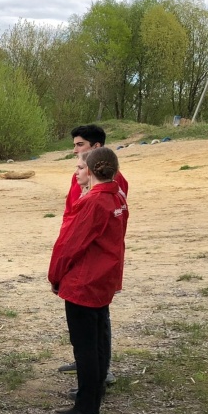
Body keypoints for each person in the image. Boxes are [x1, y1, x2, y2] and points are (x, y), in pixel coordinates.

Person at [48, 147, 129, 414]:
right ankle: (93, 395)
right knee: (96, 340)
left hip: (85, 282)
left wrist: (55, 275)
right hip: (103, 278)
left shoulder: (94, 202)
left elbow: (70, 245)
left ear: (92, 171)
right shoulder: (118, 197)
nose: (77, 171)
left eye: (81, 167)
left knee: (84, 346)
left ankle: (86, 407)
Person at [58, 124, 128, 385]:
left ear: (96, 148)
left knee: (99, 317)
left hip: (94, 265)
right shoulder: (81, 178)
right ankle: (86, 364)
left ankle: (101, 369)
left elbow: (105, 224)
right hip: (81, 255)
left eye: (80, 145)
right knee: (88, 325)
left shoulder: (110, 184)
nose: (75, 149)